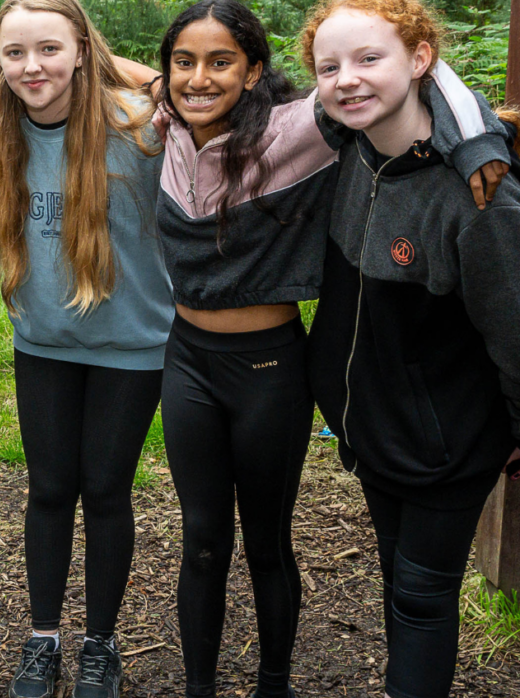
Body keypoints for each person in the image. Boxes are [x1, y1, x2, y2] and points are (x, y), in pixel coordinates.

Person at [114, 1, 509, 696]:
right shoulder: (176, 116)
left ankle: (275, 684)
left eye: (221, 62)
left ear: (256, 70)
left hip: (277, 368)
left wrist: (477, 140)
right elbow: (124, 68)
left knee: (275, 543)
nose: (199, 77)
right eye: (184, 62)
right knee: (203, 540)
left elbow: (417, 77)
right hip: (206, 367)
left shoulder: (308, 129)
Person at [301, 2, 520, 696]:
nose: (347, 80)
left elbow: (514, 326)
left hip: (447, 444)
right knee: (400, 583)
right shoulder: (349, 146)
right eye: (329, 66)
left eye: (370, 59)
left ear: (421, 59)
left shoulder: (478, 194)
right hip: (374, 427)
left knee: (423, 601)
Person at [0, 1, 168, 696]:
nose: (31, 67)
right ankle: (42, 638)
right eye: (14, 52)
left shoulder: (139, 127)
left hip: (132, 345)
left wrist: (145, 78)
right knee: (50, 489)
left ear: (83, 49)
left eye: (49, 49)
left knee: (106, 491)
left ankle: (100, 644)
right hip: (44, 341)